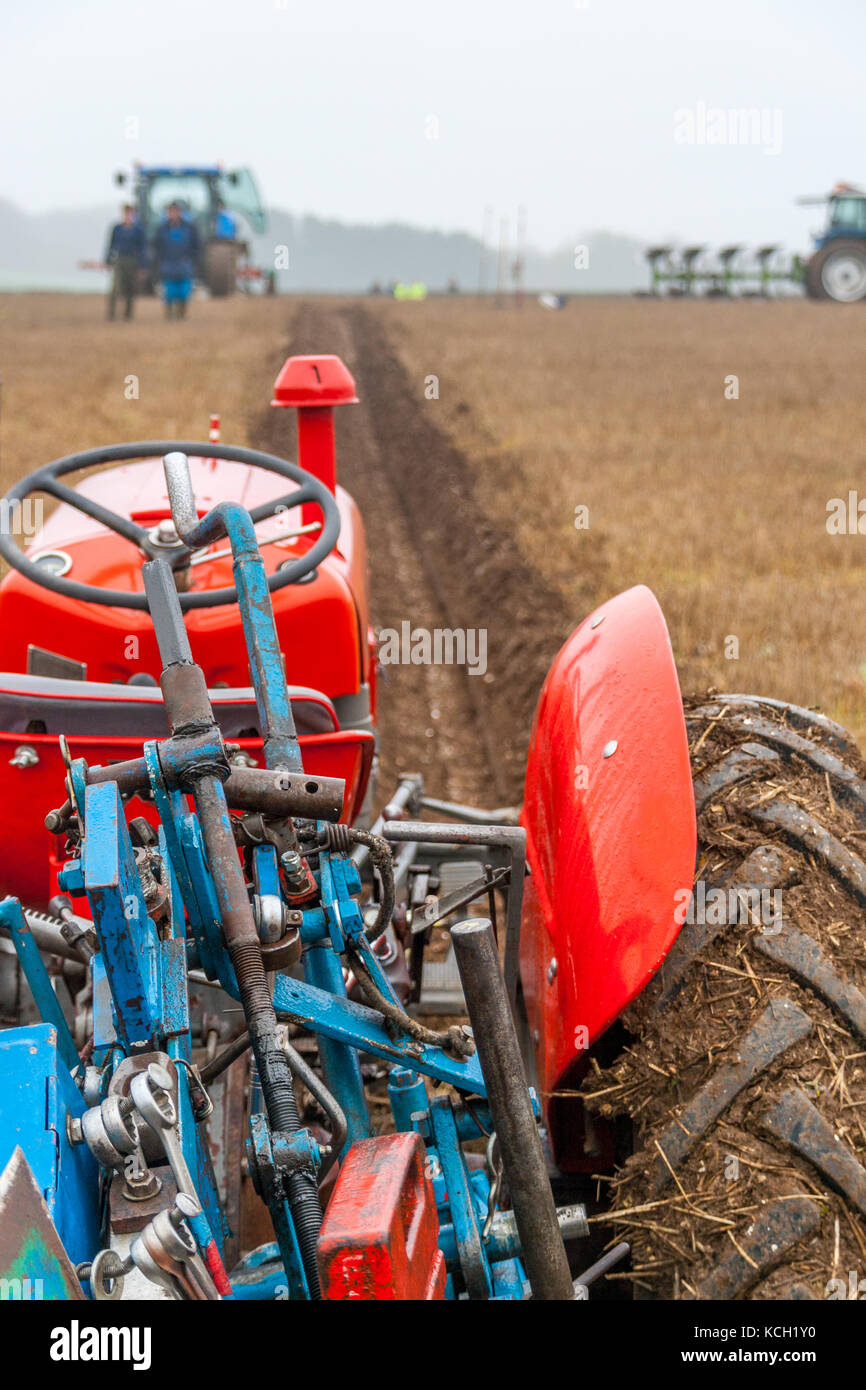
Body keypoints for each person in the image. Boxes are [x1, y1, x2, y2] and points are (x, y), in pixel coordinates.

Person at [152, 202, 200, 319]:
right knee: (169, 290)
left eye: (176, 211)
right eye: (171, 211)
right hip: (168, 263)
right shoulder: (162, 229)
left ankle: (181, 313)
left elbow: (197, 245)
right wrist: (160, 259)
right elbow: (156, 246)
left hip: (184, 263)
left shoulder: (190, 229)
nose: (173, 214)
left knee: (183, 290)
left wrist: (190, 258)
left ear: (180, 213)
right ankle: (169, 314)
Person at [104, 205, 146, 320]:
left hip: (133, 260)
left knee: (130, 288)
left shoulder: (138, 230)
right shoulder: (117, 228)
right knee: (116, 288)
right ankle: (111, 315)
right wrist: (107, 260)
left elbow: (142, 249)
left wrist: (142, 266)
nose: (128, 216)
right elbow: (111, 245)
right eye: (126, 213)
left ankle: (128, 315)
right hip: (120, 260)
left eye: (131, 214)